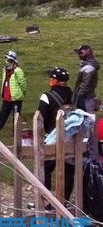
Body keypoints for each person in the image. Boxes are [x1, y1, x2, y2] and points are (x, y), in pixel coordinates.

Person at [38, 67, 75, 202]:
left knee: (46, 169)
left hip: (51, 137)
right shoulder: (71, 94)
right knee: (68, 170)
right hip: (69, 137)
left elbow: (40, 118)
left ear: (54, 80)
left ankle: (46, 200)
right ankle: (64, 201)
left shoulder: (46, 97)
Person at [0, 50, 27, 133]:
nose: (6, 61)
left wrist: (20, 94)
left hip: (15, 99)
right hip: (6, 99)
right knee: (2, 116)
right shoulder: (5, 70)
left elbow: (23, 84)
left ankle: (16, 135)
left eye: (8, 60)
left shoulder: (18, 71)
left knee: (16, 118)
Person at [73, 44, 99, 113]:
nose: (79, 55)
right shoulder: (88, 65)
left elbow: (85, 84)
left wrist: (79, 96)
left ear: (85, 54)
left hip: (86, 99)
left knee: (87, 119)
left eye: (80, 53)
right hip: (87, 97)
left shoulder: (89, 68)